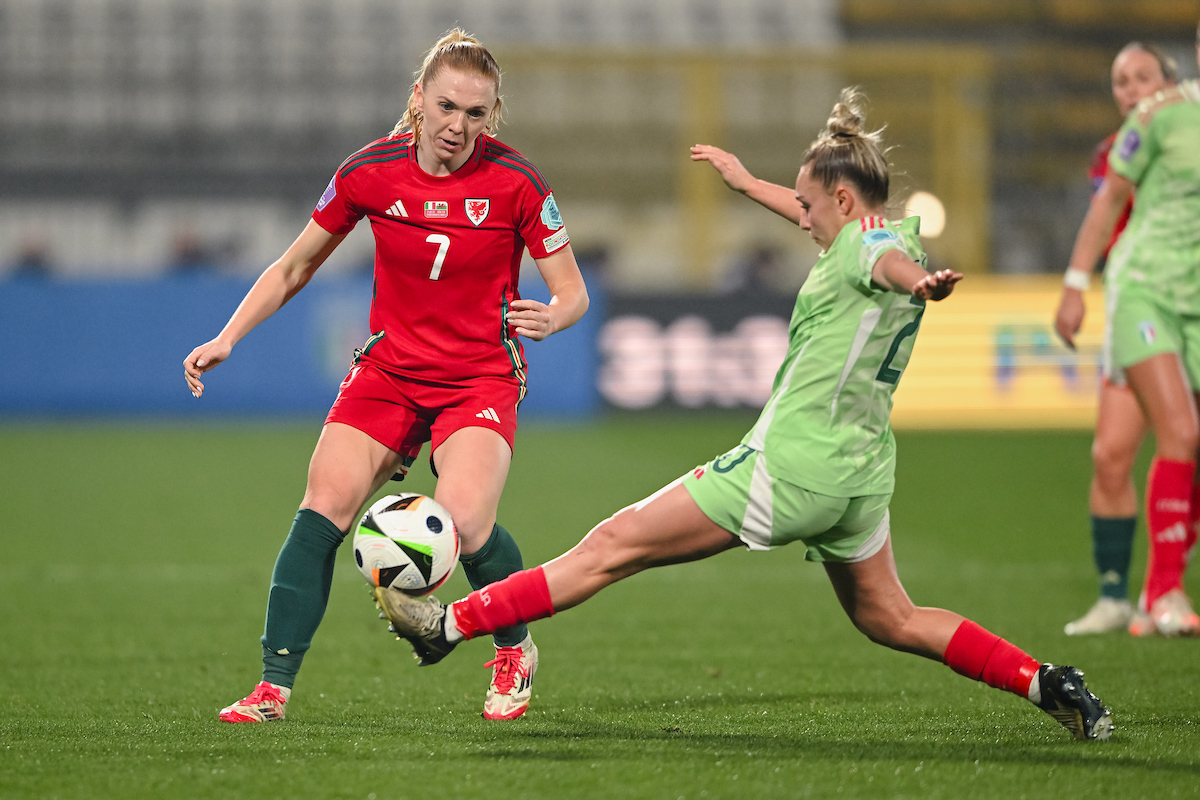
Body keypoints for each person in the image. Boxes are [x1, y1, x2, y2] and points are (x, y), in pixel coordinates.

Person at [374, 88, 1114, 741]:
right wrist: (747, 183)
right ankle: (1044, 681)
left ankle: (449, 625)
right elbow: (845, 230)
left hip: (790, 467)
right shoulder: (886, 231)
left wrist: (919, 283)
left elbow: (881, 261)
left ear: (844, 203)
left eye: (809, 206)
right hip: (860, 475)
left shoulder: (874, 251)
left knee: (612, 546)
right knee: (891, 617)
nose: (802, 219)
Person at [183, 29, 589, 722]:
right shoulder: (368, 171)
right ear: (418, 99)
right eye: (447, 106)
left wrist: (555, 317)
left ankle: (514, 646)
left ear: (492, 115)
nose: (458, 125)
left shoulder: (518, 183)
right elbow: (294, 266)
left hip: (478, 377)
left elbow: (572, 292)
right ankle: (272, 690)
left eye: (476, 113)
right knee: (323, 507)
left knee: (466, 522)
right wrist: (227, 336)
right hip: (390, 371)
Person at [1056, 24, 1200, 637]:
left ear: (1169, 77)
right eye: (1121, 81)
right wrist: (1076, 284)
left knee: (1182, 446)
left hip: (1191, 300)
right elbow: (1109, 208)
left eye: (1143, 77)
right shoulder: (1136, 137)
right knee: (1122, 451)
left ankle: (1156, 591)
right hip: (1144, 299)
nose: (1132, 89)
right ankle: (1132, 595)